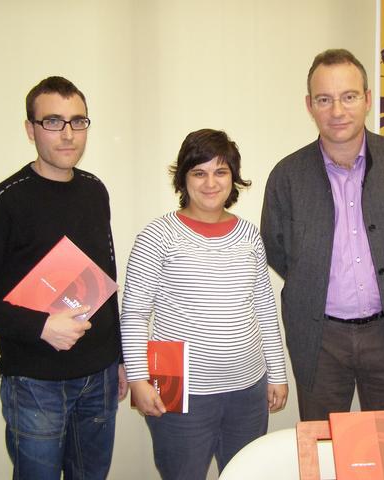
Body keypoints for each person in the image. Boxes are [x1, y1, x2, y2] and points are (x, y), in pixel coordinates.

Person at [261, 49, 384, 421]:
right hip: (320, 337)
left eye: (349, 96)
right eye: (324, 99)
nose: (337, 111)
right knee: (323, 442)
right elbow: (277, 249)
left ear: (368, 99)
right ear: (309, 106)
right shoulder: (287, 176)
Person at [0, 76, 127, 479]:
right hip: (36, 383)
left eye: (78, 121)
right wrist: (42, 326)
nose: (68, 134)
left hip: (99, 377)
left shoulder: (95, 191)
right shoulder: (2, 202)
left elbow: (106, 279)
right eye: (53, 122)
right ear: (31, 129)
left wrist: (121, 358)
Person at [121, 128, 288, 480]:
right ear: (183, 178)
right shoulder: (157, 236)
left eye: (220, 172)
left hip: (248, 389)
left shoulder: (249, 235)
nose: (210, 183)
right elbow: (134, 313)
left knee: (245, 474)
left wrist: (277, 373)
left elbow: (264, 308)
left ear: (233, 178)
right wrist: (137, 378)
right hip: (179, 391)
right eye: (199, 172)